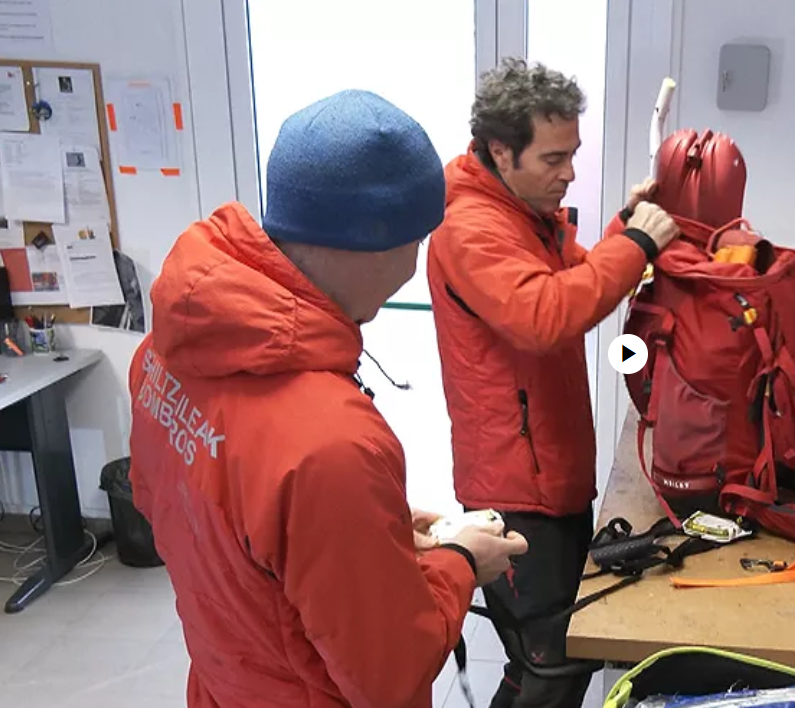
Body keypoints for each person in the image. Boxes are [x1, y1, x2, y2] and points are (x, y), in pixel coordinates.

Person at [129, 90, 528, 708]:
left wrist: (370, 529)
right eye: (416, 242)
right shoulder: (330, 443)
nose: (414, 265)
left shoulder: (164, 352)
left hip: (226, 681)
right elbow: (390, 672)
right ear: (373, 242)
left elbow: (182, 509)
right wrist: (459, 561)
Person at [427, 58, 681, 708]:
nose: (568, 172)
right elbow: (546, 315)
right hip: (516, 489)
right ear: (500, 151)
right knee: (551, 665)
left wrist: (626, 226)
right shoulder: (472, 228)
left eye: (573, 154)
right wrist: (639, 246)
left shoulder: (523, 215)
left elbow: (577, 279)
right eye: (553, 157)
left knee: (547, 659)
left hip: (549, 473)